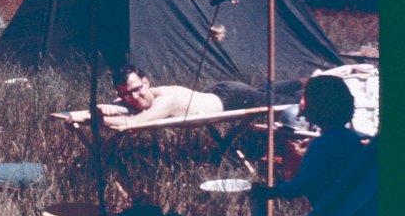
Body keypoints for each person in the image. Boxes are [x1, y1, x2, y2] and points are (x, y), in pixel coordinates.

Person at [68, 63, 373, 130]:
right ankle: (326, 73)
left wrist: (115, 119)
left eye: (137, 89)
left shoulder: (164, 100)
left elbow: (135, 122)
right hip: (218, 92)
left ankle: (335, 76)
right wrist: (81, 115)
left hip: (233, 100)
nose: (134, 97)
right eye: (126, 93)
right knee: (270, 89)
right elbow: (109, 108)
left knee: (291, 95)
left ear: (146, 82)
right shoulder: (132, 100)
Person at [249, 75, 365, 208]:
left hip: (332, 211)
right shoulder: (351, 138)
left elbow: (304, 183)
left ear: (320, 106)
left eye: (308, 99)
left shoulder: (323, 144)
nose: (303, 107)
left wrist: (273, 192)